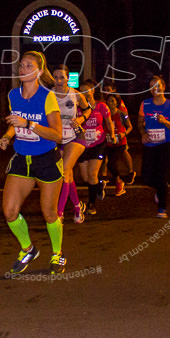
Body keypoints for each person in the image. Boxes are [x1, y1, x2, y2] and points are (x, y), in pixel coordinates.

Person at [0, 52, 65, 274]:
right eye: (21, 65)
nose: (23, 69)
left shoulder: (47, 97)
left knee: (49, 213)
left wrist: (29, 124)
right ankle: (28, 249)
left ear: (38, 71)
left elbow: (57, 135)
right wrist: (8, 135)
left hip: (46, 159)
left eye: (28, 66)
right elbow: (15, 122)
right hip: (22, 158)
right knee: (9, 211)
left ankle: (58, 255)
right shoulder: (13, 95)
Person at [138, 76, 170, 216]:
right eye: (151, 86)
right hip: (151, 146)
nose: (154, 89)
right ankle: (160, 188)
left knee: (162, 176)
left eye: (157, 86)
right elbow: (140, 122)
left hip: (167, 145)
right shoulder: (145, 104)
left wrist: (165, 122)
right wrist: (143, 133)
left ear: (163, 87)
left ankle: (162, 208)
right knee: (146, 178)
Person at [52, 66, 88, 223]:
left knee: (65, 171)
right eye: (55, 77)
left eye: (62, 77)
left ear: (68, 78)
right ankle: (77, 206)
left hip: (76, 136)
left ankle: (58, 213)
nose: (58, 81)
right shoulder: (49, 95)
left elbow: (88, 109)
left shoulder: (76, 94)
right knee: (69, 175)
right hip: (58, 139)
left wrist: (81, 119)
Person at [76, 78, 114, 216]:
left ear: (93, 91)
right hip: (81, 145)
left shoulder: (101, 106)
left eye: (86, 90)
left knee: (92, 175)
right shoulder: (76, 108)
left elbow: (108, 122)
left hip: (98, 144)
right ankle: (99, 185)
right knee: (85, 178)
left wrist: (113, 134)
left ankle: (91, 204)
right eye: (81, 91)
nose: (84, 94)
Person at [105, 94, 133, 196]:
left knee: (111, 162)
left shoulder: (122, 114)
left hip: (120, 142)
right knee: (109, 163)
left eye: (112, 101)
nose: (110, 103)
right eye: (108, 100)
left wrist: (123, 134)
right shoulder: (105, 114)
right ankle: (118, 181)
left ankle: (119, 182)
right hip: (108, 142)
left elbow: (130, 127)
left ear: (117, 103)